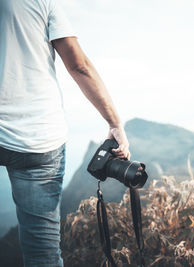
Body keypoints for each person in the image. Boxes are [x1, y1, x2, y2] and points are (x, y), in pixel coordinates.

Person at [0, 0, 133, 266]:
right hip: (38, 137)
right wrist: (115, 123)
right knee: (42, 252)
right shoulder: (43, 2)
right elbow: (78, 65)